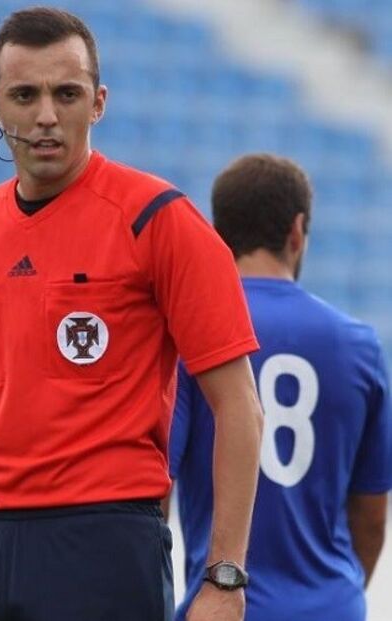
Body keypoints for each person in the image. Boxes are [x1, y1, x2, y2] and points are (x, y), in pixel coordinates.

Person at [0, 7, 264, 621]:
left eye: (65, 93)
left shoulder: (158, 219)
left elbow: (238, 406)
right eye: (25, 95)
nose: (46, 115)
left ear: (97, 103)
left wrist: (225, 576)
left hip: (107, 536)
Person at [167, 154, 392, 620]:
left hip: (222, 606)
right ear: (297, 230)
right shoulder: (359, 345)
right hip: (331, 606)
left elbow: (155, 486)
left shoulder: (189, 338)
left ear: (218, 233)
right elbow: (372, 514)